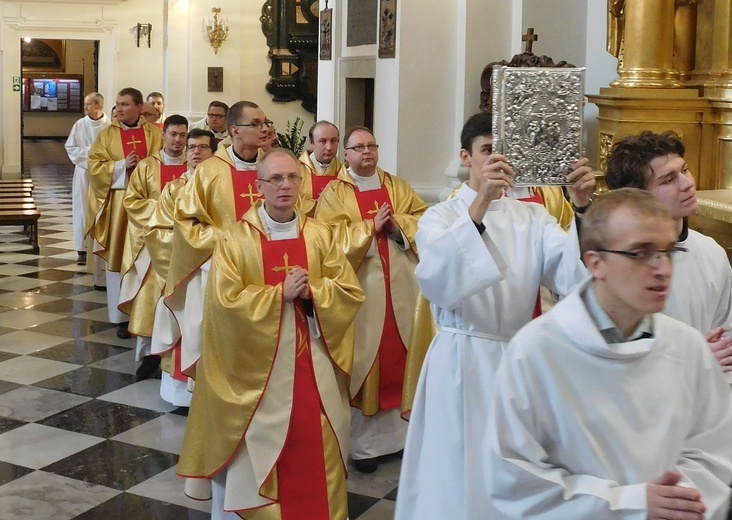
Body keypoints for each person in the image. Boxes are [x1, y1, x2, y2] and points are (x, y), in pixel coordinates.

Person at [394, 112, 594, 519]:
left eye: (504, 152)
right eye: (488, 152)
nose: (497, 162)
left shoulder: (533, 218)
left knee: (509, 471)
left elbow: (578, 277)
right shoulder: (440, 216)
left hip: (513, 363)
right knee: (453, 470)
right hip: (459, 358)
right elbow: (437, 283)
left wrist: (584, 207)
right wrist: (482, 200)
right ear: (466, 157)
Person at [488, 188, 732, 519]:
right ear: (596, 262)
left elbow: (715, 451)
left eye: (668, 251)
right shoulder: (537, 351)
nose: (662, 268)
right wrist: (628, 504)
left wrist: (677, 501)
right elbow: (514, 477)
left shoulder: (687, 347)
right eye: (641, 253)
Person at [177, 149, 364, 520]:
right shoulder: (235, 239)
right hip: (256, 369)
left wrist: (313, 293)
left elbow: (349, 290)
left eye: (293, 177)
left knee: (320, 436)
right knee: (258, 441)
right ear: (258, 186)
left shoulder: (320, 235)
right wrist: (279, 294)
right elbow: (223, 305)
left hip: (312, 355)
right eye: (276, 179)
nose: (285, 185)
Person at [315, 126, 428, 473]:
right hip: (363, 292)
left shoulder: (396, 186)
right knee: (368, 361)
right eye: (358, 147)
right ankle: (366, 447)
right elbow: (326, 240)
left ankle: (403, 439)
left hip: (402, 291)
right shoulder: (335, 193)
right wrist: (368, 228)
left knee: (403, 355)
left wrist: (397, 227)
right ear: (345, 155)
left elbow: (424, 218)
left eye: (371, 146)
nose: (366, 152)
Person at [154, 101, 271, 380]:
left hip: (265, 269)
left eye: (265, 123)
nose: (264, 129)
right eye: (255, 124)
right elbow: (186, 224)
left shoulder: (271, 167)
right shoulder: (209, 172)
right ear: (235, 131)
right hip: (216, 269)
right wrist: (229, 239)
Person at [605, 131, 732, 372]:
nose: (688, 184)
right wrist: (694, 361)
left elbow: (726, 335)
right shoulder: (616, 263)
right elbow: (609, 354)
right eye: (668, 180)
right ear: (639, 197)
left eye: (684, 170)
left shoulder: (710, 252)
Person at [144, 128, 216, 405]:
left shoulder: (220, 188)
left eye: (203, 147)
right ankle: (181, 394)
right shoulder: (174, 189)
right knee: (186, 327)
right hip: (185, 274)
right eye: (192, 147)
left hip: (217, 269)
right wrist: (186, 255)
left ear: (214, 153)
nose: (196, 152)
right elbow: (156, 231)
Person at [87, 87, 163, 339]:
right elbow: (94, 165)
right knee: (119, 258)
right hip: (120, 206)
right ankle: (120, 317)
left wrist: (145, 168)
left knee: (146, 259)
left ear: (140, 107)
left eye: (125, 104)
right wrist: (121, 166)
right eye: (117, 104)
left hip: (148, 207)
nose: (119, 109)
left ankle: (147, 314)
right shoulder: (107, 135)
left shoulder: (154, 134)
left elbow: (163, 163)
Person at [119, 114, 188, 381]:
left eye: (183, 135)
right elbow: (132, 202)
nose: (178, 140)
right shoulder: (147, 167)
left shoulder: (195, 168)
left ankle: (177, 356)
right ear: (163, 135)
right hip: (153, 248)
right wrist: (165, 211)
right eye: (173, 134)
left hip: (185, 246)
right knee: (152, 300)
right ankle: (150, 357)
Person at [65, 92, 110, 266]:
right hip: (84, 174)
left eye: (88, 104)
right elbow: (70, 147)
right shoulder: (79, 124)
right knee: (82, 209)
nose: (85, 108)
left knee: (102, 209)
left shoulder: (110, 126)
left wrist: (100, 161)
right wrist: (91, 157)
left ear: (98, 105)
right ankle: (82, 249)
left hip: (104, 174)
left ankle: (100, 245)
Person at [298, 120, 341, 216]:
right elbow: (291, 205)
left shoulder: (345, 173)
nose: (329, 147)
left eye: (333, 141)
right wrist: (322, 204)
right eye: (323, 141)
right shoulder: (294, 171)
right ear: (311, 143)